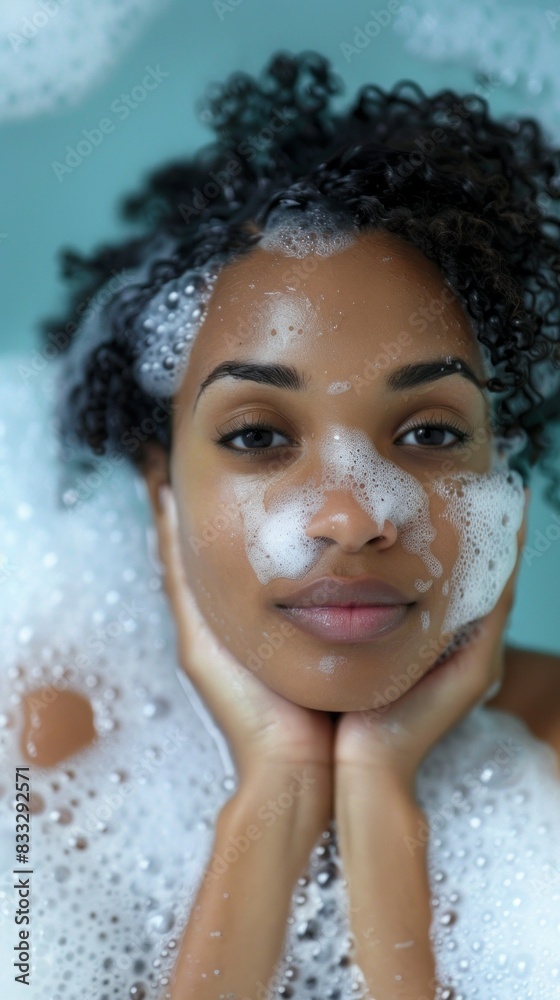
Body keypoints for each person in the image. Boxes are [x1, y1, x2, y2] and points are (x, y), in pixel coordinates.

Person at [37, 49, 560, 998]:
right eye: (259, 436)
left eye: (431, 432)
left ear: (502, 472)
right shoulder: (52, 762)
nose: (354, 517)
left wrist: (382, 808)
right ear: (162, 487)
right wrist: (271, 797)